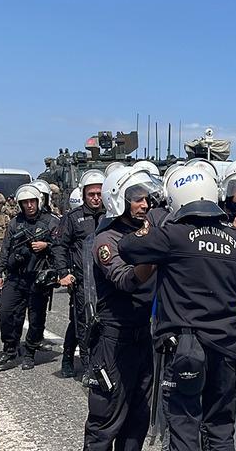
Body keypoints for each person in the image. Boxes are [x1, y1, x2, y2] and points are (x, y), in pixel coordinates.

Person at [118, 164, 236, 451]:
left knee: (185, 426)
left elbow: (126, 248)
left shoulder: (172, 234)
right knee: (221, 429)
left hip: (187, 347)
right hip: (225, 347)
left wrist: (150, 230)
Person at [83, 166, 162, 450]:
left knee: (138, 419)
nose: (145, 204)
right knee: (105, 421)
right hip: (114, 342)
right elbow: (126, 280)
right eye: (137, 198)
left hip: (143, 336)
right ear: (119, 199)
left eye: (146, 198)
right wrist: (152, 254)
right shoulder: (108, 240)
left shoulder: (146, 232)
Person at [0, 184, 60, 371]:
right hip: (15, 277)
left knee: (36, 318)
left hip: (38, 278)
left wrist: (46, 245)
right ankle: (10, 348)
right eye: (25, 202)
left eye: (32, 201)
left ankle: (30, 352)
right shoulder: (15, 222)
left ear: (38, 202)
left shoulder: (52, 221)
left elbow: (62, 246)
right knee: (6, 312)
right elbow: (5, 249)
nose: (29, 205)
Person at [52, 170, 105, 381]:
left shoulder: (110, 215)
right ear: (83, 194)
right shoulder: (73, 218)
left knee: (105, 323)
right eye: (91, 194)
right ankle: (87, 367)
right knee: (84, 323)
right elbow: (59, 246)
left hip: (106, 281)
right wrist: (63, 273)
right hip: (82, 281)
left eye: (99, 193)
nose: (95, 198)